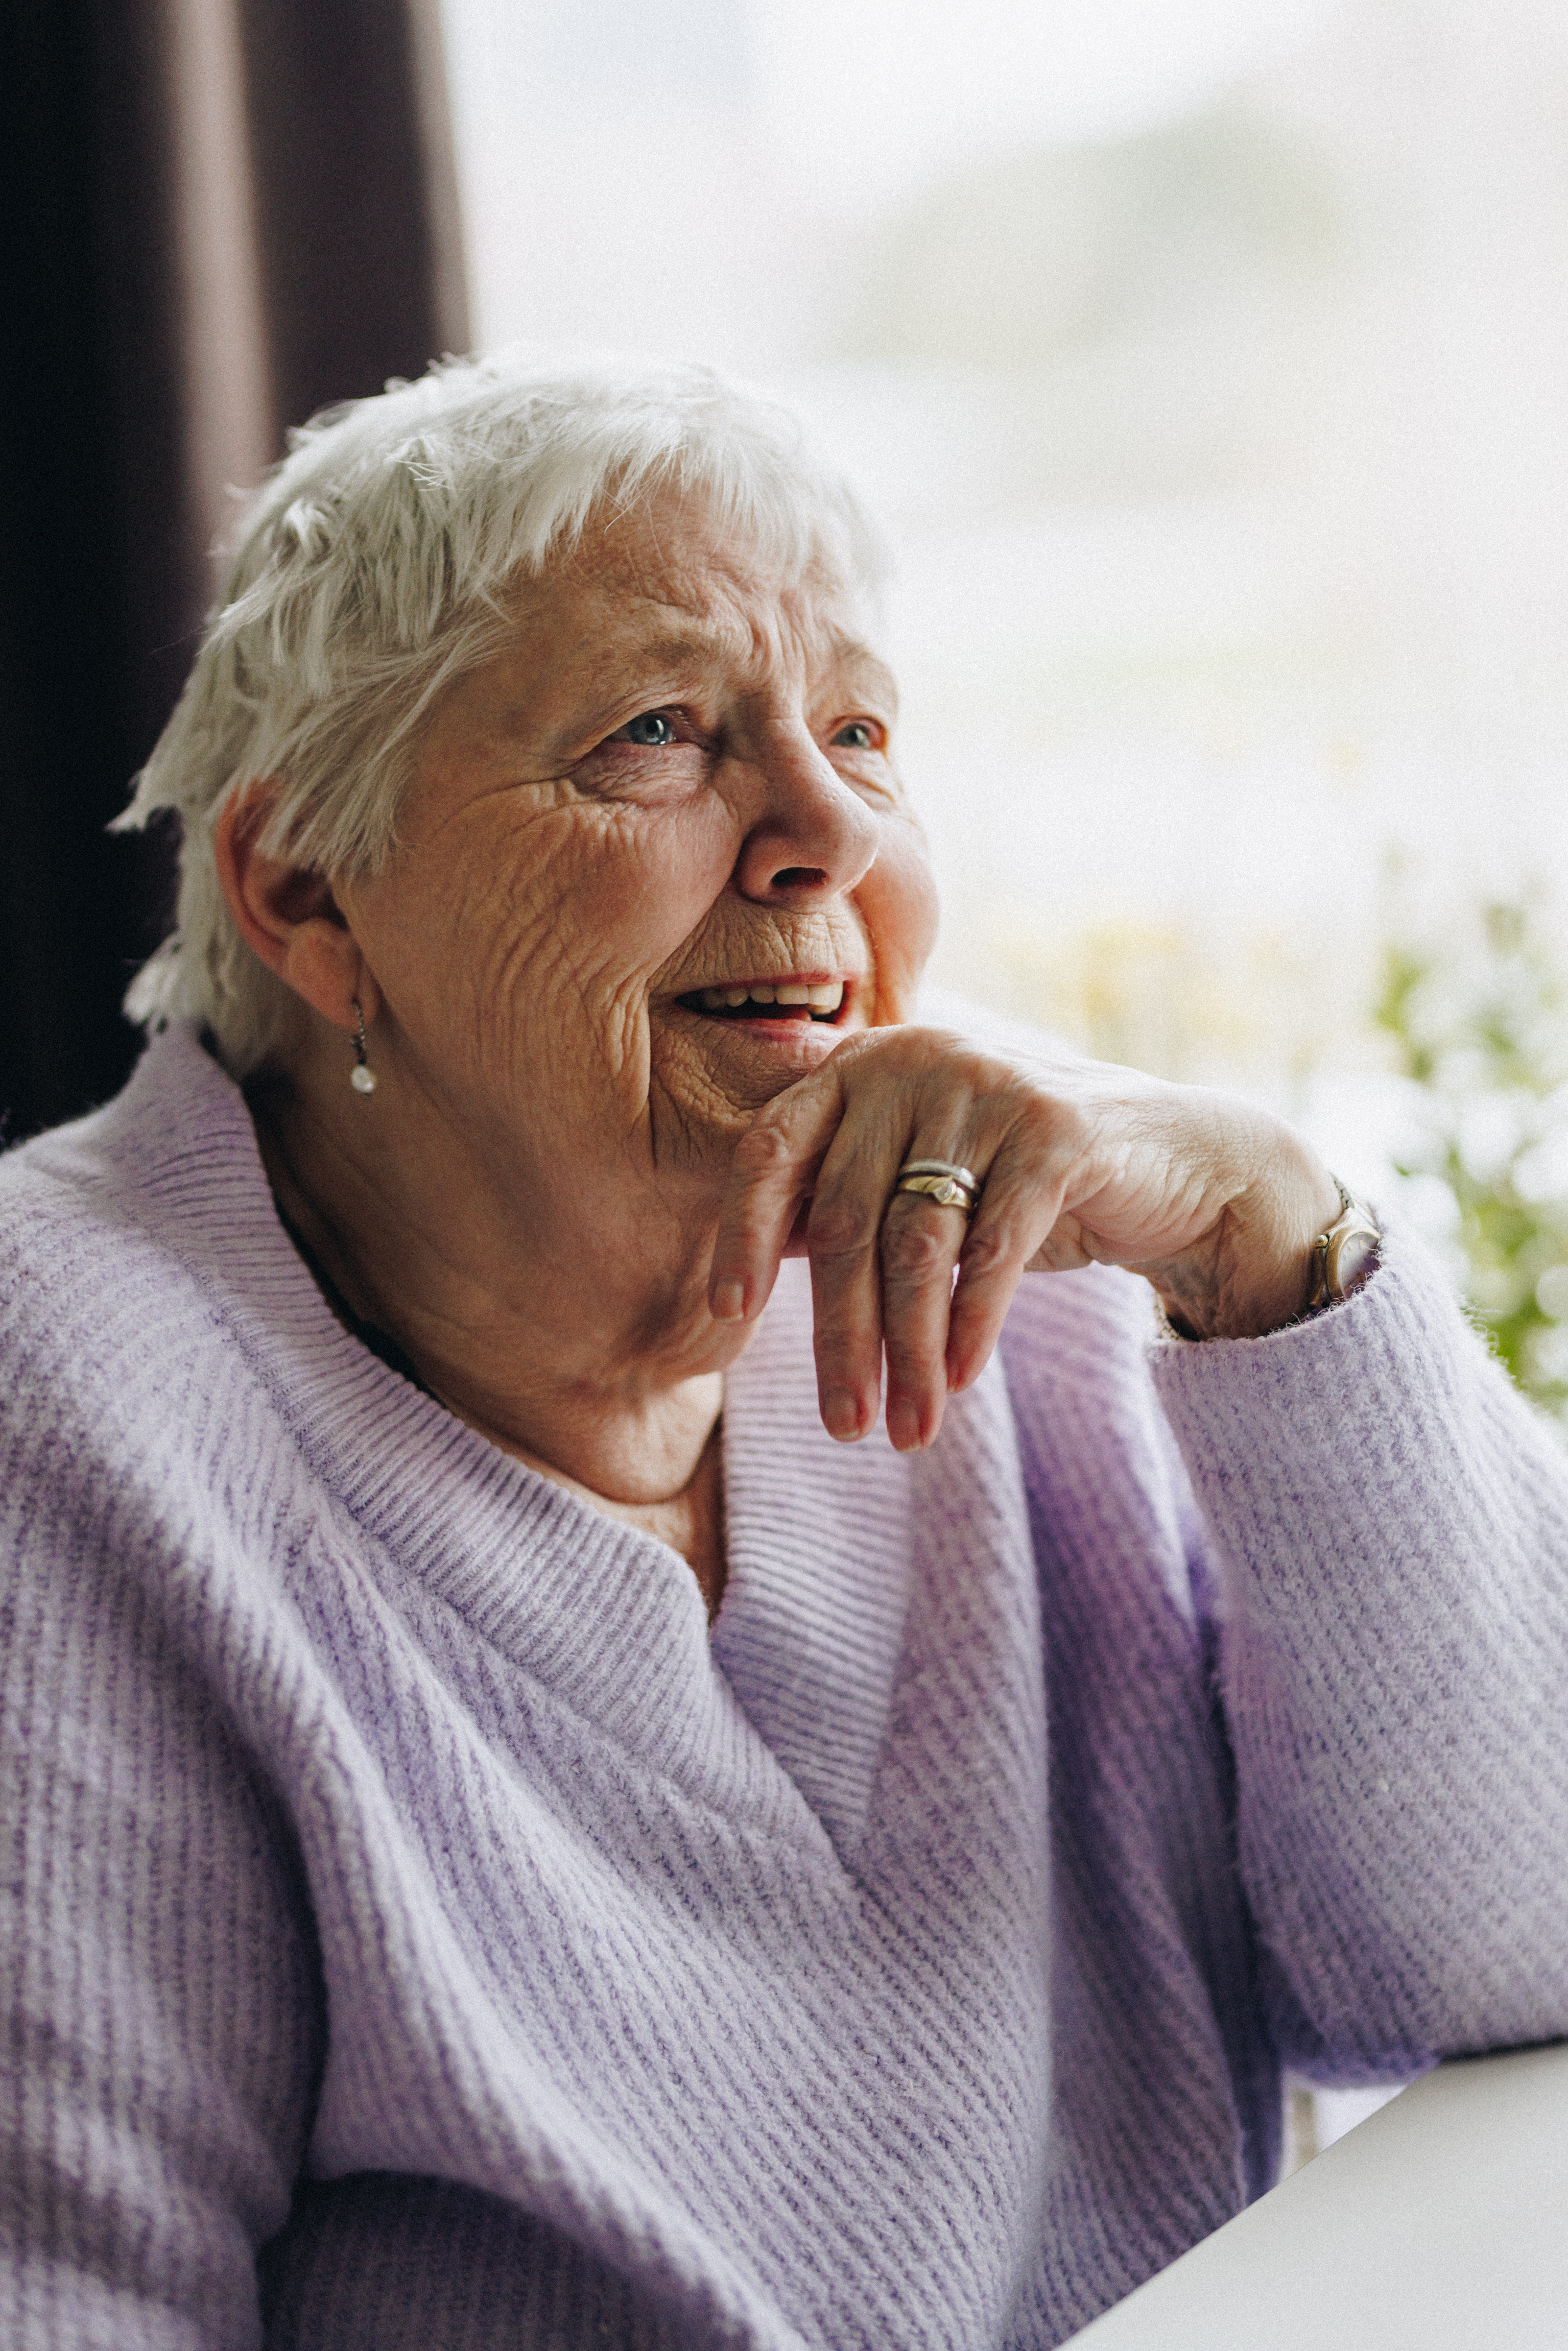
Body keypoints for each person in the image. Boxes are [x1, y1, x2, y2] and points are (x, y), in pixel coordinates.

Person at [1, 353, 1564, 2351]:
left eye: (863, 730)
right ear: (308, 890)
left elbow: (1521, 1952)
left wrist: (1272, 1230)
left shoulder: (1031, 1258)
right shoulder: (66, 1401)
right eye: (661, 733)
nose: (823, 829)